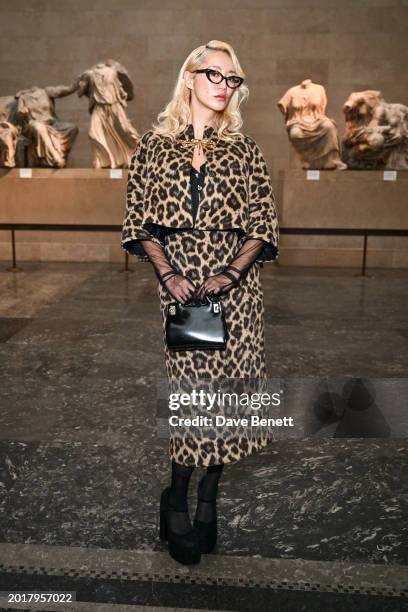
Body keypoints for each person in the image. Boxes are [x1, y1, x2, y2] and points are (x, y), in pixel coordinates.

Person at [121, 40, 279, 565]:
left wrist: (231, 272)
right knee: (192, 399)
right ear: (189, 76)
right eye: (214, 74)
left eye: (232, 79)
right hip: (181, 292)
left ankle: (208, 498)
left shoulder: (244, 147)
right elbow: (137, 217)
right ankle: (176, 498)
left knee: (228, 402)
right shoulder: (152, 145)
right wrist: (167, 273)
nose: (223, 85)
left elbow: (263, 221)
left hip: (237, 294)